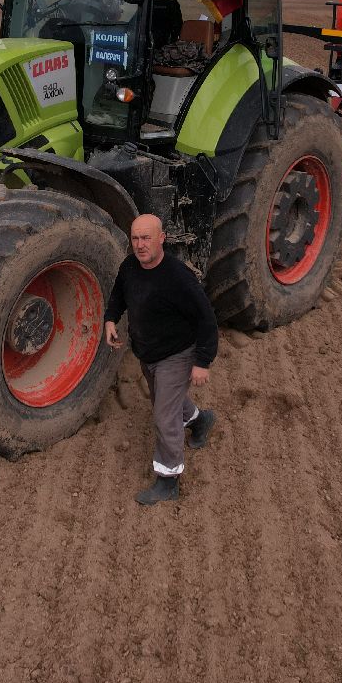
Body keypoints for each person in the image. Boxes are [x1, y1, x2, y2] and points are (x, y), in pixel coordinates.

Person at [103, 213, 218, 505]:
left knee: (164, 416)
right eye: (136, 239)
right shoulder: (129, 267)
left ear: (162, 238)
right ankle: (201, 420)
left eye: (146, 238)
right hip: (148, 353)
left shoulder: (178, 278)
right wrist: (110, 319)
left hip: (176, 354)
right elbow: (118, 294)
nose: (140, 245)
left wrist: (202, 362)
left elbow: (207, 319)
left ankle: (168, 479)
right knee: (166, 402)